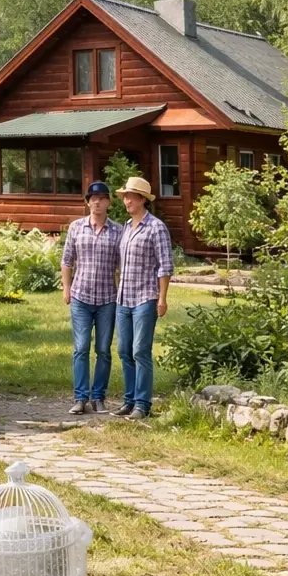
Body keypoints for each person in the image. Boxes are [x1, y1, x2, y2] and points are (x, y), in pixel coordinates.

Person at [114, 176, 173, 420]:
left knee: (140, 350)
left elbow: (165, 266)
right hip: (123, 299)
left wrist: (162, 298)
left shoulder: (156, 227)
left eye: (130, 196)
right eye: (125, 196)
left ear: (142, 199)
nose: (126, 200)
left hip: (145, 298)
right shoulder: (126, 227)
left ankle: (143, 404)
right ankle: (129, 400)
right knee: (124, 350)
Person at [61, 181, 122, 414]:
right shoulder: (76, 228)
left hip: (107, 298)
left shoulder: (118, 231)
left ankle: (98, 397)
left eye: (102, 198)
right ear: (87, 202)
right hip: (81, 297)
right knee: (81, 347)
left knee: (104, 349)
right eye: (93, 198)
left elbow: (123, 265)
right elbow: (67, 261)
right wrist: (67, 289)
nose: (97, 202)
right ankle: (80, 398)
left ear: (108, 202)